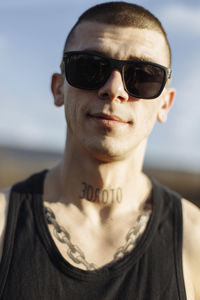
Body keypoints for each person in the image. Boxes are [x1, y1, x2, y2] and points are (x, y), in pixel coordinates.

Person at [0, 2, 199, 299]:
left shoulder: (194, 241)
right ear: (58, 88)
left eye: (142, 75)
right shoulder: (3, 226)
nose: (114, 89)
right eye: (90, 67)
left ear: (165, 104)